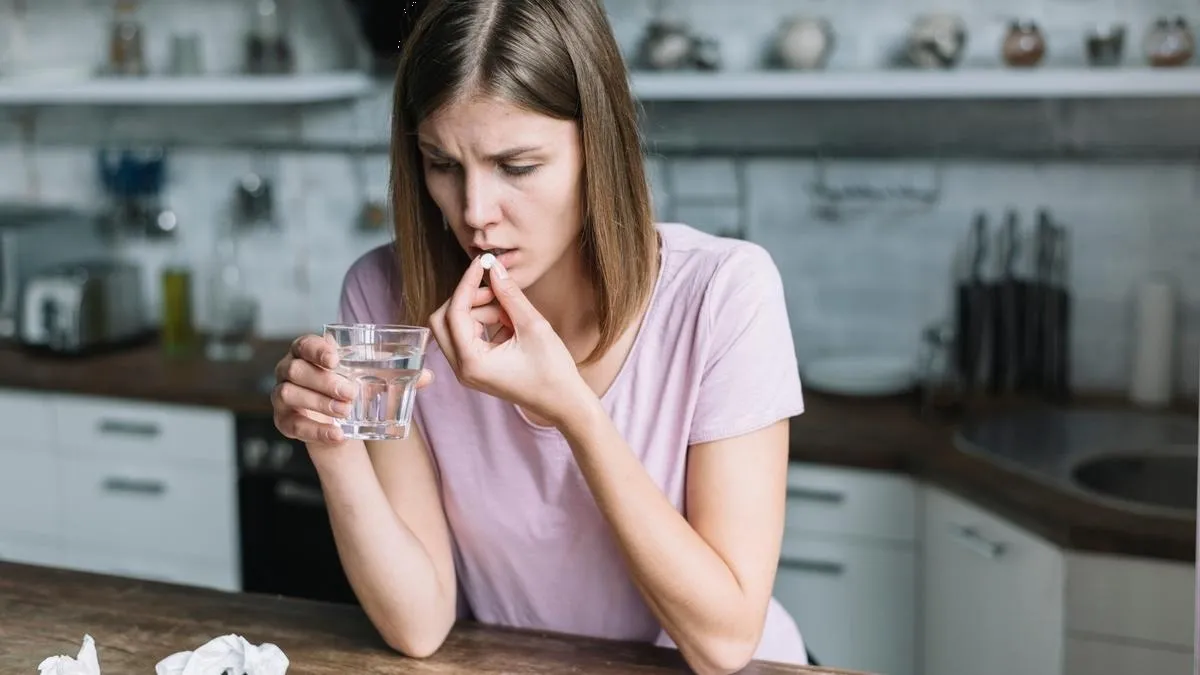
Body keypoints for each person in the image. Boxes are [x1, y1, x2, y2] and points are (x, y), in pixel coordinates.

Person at [270, 0, 808, 672]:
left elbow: (723, 642)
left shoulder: (725, 293)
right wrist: (333, 443)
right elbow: (418, 622)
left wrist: (574, 411)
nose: (474, 213)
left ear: (598, 146)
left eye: (517, 166)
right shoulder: (385, 295)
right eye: (442, 163)